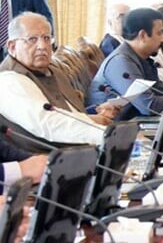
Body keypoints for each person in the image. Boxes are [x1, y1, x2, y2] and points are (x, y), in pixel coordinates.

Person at [0, 13, 108, 150]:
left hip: (83, 151)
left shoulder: (53, 71)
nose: (42, 46)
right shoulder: (8, 80)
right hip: (46, 162)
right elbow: (49, 122)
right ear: (12, 47)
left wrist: (94, 118)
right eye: (32, 39)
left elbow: (68, 113)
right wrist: (107, 136)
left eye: (46, 38)